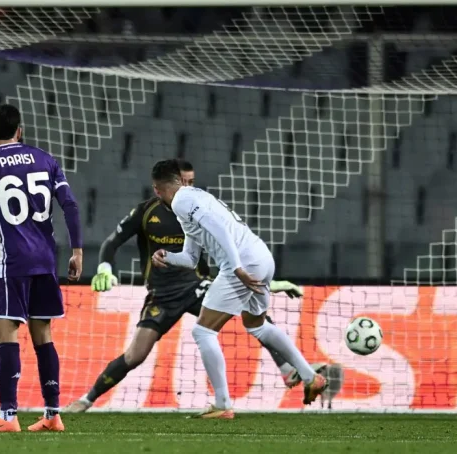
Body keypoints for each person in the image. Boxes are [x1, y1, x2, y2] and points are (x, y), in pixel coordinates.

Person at [64, 160, 305, 413]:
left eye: (191, 182)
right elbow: (111, 243)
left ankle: (288, 369)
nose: (187, 187)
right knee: (135, 355)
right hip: (162, 294)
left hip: (195, 285)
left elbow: (223, 250)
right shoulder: (147, 212)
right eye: (184, 182)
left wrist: (263, 281)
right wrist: (105, 267)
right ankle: (87, 400)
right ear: (168, 185)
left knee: (253, 315)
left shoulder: (198, 208)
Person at [150, 159, 327, 418]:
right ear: (179, 178)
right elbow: (190, 258)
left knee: (203, 331)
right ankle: (310, 377)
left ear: (157, 189)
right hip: (261, 257)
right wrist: (166, 256)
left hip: (243, 263)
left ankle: (222, 404)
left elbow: (220, 229)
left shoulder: (181, 201)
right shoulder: (195, 199)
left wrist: (236, 268)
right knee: (257, 325)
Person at [0, 104, 83, 433]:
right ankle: (53, 414)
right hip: (45, 259)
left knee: (5, 333)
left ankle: (8, 416)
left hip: (11, 260)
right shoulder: (45, 159)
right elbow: (70, 205)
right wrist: (77, 251)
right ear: (20, 130)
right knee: (43, 334)